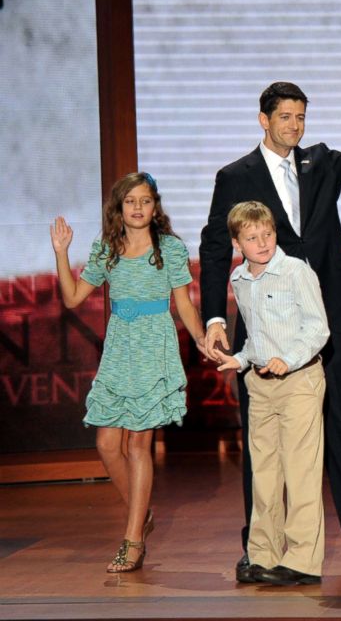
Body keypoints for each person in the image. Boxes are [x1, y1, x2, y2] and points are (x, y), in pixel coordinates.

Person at [199, 51, 341, 577]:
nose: (294, 126)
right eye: (285, 117)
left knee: (339, 427)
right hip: (265, 330)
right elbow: (212, 248)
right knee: (263, 445)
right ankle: (259, 549)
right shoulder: (236, 176)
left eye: (300, 117)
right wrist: (215, 318)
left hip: (326, 319)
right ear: (264, 119)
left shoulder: (321, 163)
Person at [50, 172, 206, 573]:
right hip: (119, 350)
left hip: (155, 348)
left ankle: (133, 539)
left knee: (138, 446)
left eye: (146, 201)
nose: (138, 208)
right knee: (106, 444)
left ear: (156, 207)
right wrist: (61, 252)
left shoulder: (169, 248)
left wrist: (203, 339)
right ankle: (143, 516)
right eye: (130, 201)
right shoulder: (107, 248)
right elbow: (72, 299)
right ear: (119, 208)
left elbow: (184, 305)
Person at [213, 201, 329, 585]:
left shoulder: (297, 272)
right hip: (258, 385)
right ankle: (263, 555)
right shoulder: (238, 280)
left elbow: (317, 329)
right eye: (251, 237)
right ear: (237, 242)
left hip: (299, 382)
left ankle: (302, 561)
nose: (261, 242)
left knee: (301, 473)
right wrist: (241, 359)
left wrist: (289, 359)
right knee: (263, 475)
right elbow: (254, 334)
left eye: (267, 234)